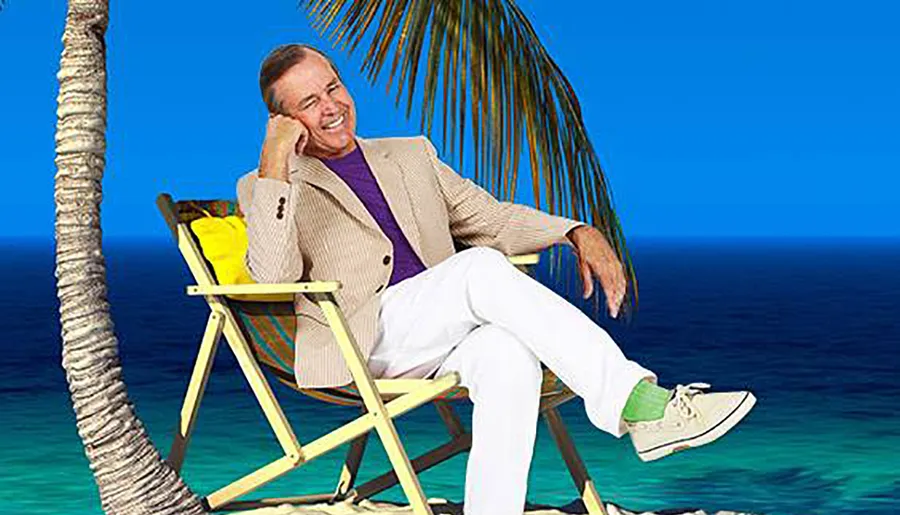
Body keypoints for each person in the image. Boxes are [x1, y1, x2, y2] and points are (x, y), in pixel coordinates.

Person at [237, 44, 756, 515]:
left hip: (441, 331)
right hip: (361, 340)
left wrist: (576, 232)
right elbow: (273, 275)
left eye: (333, 88)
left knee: (508, 354)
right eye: (308, 103)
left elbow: (491, 218)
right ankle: (638, 404)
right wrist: (276, 159)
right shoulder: (267, 184)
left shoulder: (409, 154)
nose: (331, 107)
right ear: (282, 120)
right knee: (481, 268)